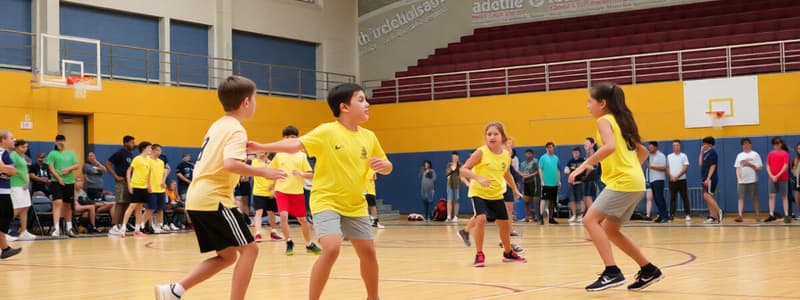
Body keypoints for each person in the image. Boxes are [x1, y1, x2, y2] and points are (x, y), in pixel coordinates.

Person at [247, 83, 393, 300]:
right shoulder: (327, 132)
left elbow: (387, 164)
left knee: (369, 253)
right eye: (361, 100)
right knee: (332, 248)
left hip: (355, 204)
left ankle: (373, 297)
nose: (367, 104)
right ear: (344, 107)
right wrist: (262, 147)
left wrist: (385, 166)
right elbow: (295, 145)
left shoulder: (369, 136)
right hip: (327, 201)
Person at [154, 76, 287, 300]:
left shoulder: (219, 125)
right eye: (255, 99)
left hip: (198, 198)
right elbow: (230, 164)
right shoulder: (236, 130)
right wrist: (264, 171)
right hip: (213, 199)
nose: (256, 103)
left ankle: (174, 291)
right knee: (250, 250)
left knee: (227, 256)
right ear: (246, 102)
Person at [569, 83, 662, 292]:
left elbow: (609, 147)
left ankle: (612, 271)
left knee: (589, 220)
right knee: (611, 230)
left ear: (602, 104)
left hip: (624, 182)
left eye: (589, 101)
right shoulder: (622, 122)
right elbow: (643, 152)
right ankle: (649, 270)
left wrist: (585, 165)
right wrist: (631, 170)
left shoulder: (604, 121)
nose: (587, 106)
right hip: (635, 182)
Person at [455, 122, 526, 267]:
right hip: (479, 192)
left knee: (504, 225)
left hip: (496, 194)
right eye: (489, 134)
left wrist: (514, 189)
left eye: (495, 134)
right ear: (485, 137)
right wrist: (478, 178)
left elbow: (506, 174)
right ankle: (479, 254)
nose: (492, 137)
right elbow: (463, 170)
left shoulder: (506, 155)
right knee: (481, 219)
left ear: (502, 137)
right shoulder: (481, 152)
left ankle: (508, 253)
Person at [268, 125, 321, 256]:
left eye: (293, 137)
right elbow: (270, 170)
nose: (290, 139)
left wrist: (301, 173)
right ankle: (289, 241)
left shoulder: (302, 156)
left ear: (297, 138)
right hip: (282, 191)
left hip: (297, 193)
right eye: (287, 137)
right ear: (283, 139)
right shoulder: (279, 155)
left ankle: (308, 243)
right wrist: (273, 183)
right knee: (284, 216)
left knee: (303, 220)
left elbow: (311, 174)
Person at [46, 134, 81, 237]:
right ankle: (56, 229)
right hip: (56, 182)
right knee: (58, 202)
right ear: (56, 142)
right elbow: (51, 168)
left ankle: (69, 228)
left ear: (65, 142)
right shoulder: (52, 154)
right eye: (58, 141)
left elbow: (77, 165)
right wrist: (59, 178)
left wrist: (69, 169)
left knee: (68, 205)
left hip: (69, 182)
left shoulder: (70, 153)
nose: (61, 142)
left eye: (62, 140)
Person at [120, 142, 152, 238]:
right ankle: (123, 228)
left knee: (139, 209)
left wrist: (149, 186)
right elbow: (129, 171)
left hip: (144, 187)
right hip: (136, 186)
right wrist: (129, 185)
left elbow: (148, 174)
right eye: (149, 148)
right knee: (132, 206)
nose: (151, 150)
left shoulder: (148, 160)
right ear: (144, 149)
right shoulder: (137, 159)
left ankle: (137, 230)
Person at [105, 135, 136, 235]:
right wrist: (115, 176)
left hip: (129, 182)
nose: (133, 144)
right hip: (121, 181)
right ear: (126, 143)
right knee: (120, 203)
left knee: (126, 204)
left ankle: (122, 225)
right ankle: (114, 226)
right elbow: (107, 163)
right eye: (132, 143)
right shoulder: (119, 153)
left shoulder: (131, 154)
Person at [0, 130, 22, 259]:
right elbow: (10, 171)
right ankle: (5, 248)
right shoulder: (2, 153)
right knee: (5, 217)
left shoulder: (6, 154)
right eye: (11, 138)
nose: (14, 140)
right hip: (1, 192)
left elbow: (12, 171)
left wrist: (5, 169)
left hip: (4, 191)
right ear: (3, 140)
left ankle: (5, 248)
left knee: (7, 216)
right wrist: (6, 170)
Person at [251, 152, 282, 242]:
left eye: (263, 152)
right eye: (259, 152)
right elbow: (258, 170)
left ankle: (274, 233)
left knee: (271, 213)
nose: (261, 154)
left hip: (270, 192)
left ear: (266, 153)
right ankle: (258, 233)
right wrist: (267, 165)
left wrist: (274, 187)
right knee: (258, 213)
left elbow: (277, 175)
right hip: (259, 192)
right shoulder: (254, 162)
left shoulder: (271, 163)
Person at [10, 140, 35, 240]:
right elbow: (12, 170)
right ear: (17, 147)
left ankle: (24, 231)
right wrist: (22, 178)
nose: (25, 149)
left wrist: (27, 181)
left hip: (24, 186)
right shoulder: (13, 156)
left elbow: (25, 171)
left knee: (25, 208)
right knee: (16, 209)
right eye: (23, 147)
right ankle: (4, 231)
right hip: (15, 185)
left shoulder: (22, 157)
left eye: (26, 147)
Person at [733, 138, 762, 222]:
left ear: (750, 144)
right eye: (743, 144)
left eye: (747, 144)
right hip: (742, 181)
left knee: (755, 198)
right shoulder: (739, 155)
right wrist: (738, 178)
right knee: (740, 198)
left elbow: (759, 168)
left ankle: (757, 215)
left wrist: (749, 164)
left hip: (753, 180)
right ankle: (740, 215)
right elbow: (737, 168)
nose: (745, 146)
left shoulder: (755, 154)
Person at [144, 144, 169, 233]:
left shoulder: (161, 162)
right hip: (151, 189)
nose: (160, 152)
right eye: (158, 150)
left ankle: (159, 226)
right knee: (150, 209)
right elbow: (145, 174)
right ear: (153, 150)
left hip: (160, 189)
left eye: (160, 150)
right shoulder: (147, 160)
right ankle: (143, 225)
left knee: (160, 209)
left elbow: (164, 172)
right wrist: (148, 185)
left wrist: (163, 181)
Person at [765, 137, 790, 223]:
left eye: (778, 144)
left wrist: (777, 176)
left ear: (781, 144)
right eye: (775, 144)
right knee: (771, 196)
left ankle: (786, 215)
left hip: (783, 178)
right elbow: (767, 165)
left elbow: (785, 166)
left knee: (784, 196)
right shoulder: (770, 154)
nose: (776, 145)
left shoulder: (785, 154)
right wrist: (772, 175)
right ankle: (771, 214)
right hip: (772, 178)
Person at [699, 136, 723, 224]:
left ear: (709, 144)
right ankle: (713, 216)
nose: (703, 145)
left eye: (705, 143)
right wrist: (701, 152)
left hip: (710, 178)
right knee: (708, 197)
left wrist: (708, 178)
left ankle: (719, 211)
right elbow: (700, 163)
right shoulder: (706, 153)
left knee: (706, 195)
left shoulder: (713, 153)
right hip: (705, 178)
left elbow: (713, 166)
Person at [666, 140, 691, 222]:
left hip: (682, 180)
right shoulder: (669, 156)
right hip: (672, 181)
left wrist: (677, 176)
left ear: (680, 146)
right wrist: (671, 176)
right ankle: (671, 215)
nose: (675, 147)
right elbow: (667, 167)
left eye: (677, 145)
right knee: (672, 198)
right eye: (674, 145)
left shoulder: (683, 156)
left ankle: (687, 214)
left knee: (684, 197)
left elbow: (685, 167)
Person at [539, 142, 560, 224]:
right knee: (544, 199)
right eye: (547, 147)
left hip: (554, 183)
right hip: (546, 183)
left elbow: (558, 170)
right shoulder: (543, 158)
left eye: (550, 147)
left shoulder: (556, 158)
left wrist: (559, 181)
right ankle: (541, 217)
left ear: (553, 148)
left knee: (552, 201)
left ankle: (551, 218)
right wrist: (542, 180)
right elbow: (540, 169)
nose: (549, 148)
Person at [646, 142, 668, 223]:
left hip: (659, 179)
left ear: (656, 147)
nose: (650, 149)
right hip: (652, 179)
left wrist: (651, 167)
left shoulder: (661, 155)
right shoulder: (649, 155)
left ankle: (665, 216)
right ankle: (661, 215)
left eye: (651, 148)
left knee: (660, 198)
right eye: (649, 148)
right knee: (656, 199)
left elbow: (664, 168)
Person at [565, 147, 585, 223]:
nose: (575, 154)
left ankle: (581, 215)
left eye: (576, 152)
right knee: (572, 200)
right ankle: (574, 215)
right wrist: (567, 170)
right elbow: (566, 169)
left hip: (580, 183)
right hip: (572, 183)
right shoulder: (570, 161)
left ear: (579, 153)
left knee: (581, 199)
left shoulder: (582, 161)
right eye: (574, 153)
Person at [520, 149, 540, 222]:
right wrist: (523, 175)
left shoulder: (535, 161)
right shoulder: (522, 163)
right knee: (526, 201)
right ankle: (527, 217)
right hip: (525, 183)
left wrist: (529, 176)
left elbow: (538, 172)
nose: (528, 155)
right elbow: (521, 172)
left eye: (529, 154)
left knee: (535, 200)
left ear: (532, 154)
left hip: (533, 182)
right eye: (527, 154)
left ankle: (537, 216)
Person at [445, 151, 465, 222]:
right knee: (449, 200)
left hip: (457, 185)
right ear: (452, 157)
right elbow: (446, 173)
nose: (454, 158)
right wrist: (451, 169)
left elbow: (462, 174)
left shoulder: (460, 165)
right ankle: (449, 216)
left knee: (456, 200)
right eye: (453, 157)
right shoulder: (449, 164)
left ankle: (455, 216)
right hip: (449, 184)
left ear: (458, 157)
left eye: (456, 156)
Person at [582, 138, 600, 216]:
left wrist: (585, 175)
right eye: (584, 143)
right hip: (588, 178)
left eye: (587, 143)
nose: (585, 144)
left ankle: (591, 215)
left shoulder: (592, 153)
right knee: (586, 196)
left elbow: (592, 165)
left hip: (592, 177)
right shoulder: (588, 153)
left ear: (592, 144)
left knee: (588, 196)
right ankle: (589, 213)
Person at [792, 143, 800, 220]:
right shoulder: (795, 160)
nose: (799, 150)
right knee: (797, 198)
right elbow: (793, 170)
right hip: (797, 181)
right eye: (798, 148)